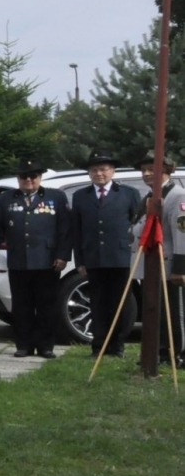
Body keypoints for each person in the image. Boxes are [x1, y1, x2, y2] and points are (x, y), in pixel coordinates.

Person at [0, 159, 71, 359]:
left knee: (46, 306)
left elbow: (65, 230)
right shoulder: (7, 198)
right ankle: (23, 345)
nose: (28, 180)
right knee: (21, 306)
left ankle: (45, 346)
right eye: (24, 176)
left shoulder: (56, 197)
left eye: (33, 176)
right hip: (19, 261)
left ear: (40, 177)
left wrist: (62, 256)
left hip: (47, 261)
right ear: (18, 178)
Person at [70, 150, 142, 358]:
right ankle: (99, 346)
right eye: (94, 170)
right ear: (89, 173)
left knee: (121, 304)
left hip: (121, 257)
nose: (99, 173)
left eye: (103, 169)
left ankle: (118, 344)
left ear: (113, 171)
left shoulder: (128, 194)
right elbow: (77, 230)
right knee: (98, 304)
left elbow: (136, 227)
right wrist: (80, 260)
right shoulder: (80, 196)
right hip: (93, 257)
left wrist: (136, 257)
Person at [138, 152, 184, 360]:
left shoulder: (177, 195)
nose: (147, 174)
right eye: (144, 170)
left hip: (170, 264)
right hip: (153, 264)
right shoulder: (150, 195)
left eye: (152, 170)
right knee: (156, 312)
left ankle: (178, 353)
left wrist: (180, 269)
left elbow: (182, 233)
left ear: (165, 171)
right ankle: (161, 350)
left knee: (175, 313)